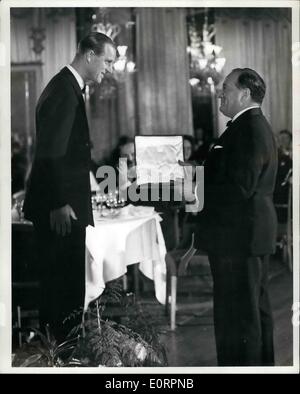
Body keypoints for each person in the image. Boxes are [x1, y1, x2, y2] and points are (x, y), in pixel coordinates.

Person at [23, 32, 116, 340]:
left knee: (62, 291)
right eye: (107, 61)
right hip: (61, 210)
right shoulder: (64, 91)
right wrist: (60, 203)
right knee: (63, 294)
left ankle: (61, 356)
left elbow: (67, 152)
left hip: (62, 205)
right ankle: (63, 359)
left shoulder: (66, 86)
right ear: (90, 55)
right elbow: (52, 153)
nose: (109, 69)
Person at [194, 68, 278, 366]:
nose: (219, 91)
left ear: (244, 94)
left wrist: (196, 191)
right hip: (245, 234)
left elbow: (238, 187)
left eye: (226, 87)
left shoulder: (249, 129)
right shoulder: (247, 126)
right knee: (253, 314)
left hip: (239, 237)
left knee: (240, 319)